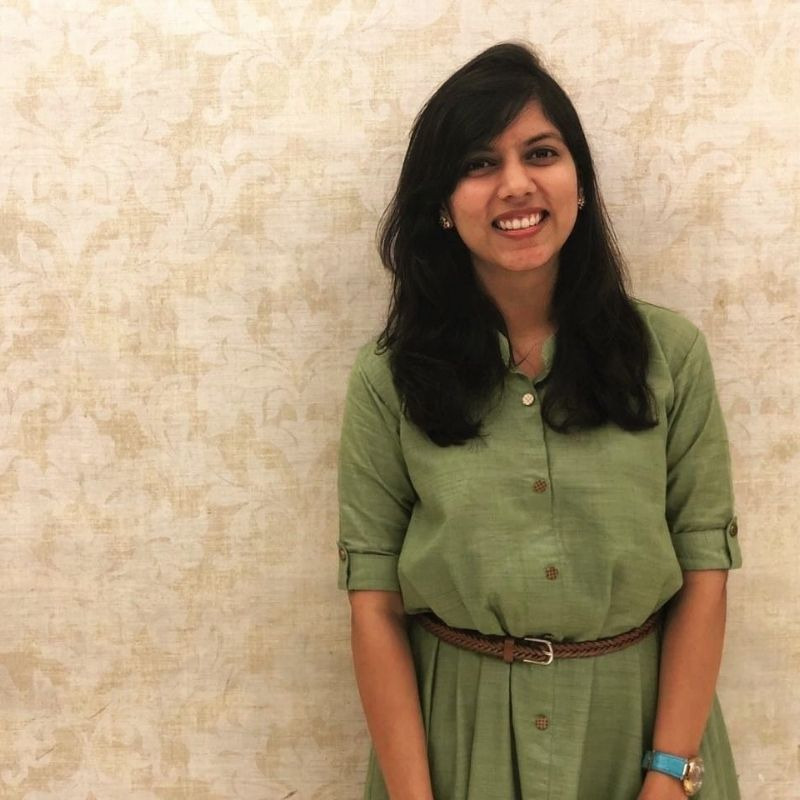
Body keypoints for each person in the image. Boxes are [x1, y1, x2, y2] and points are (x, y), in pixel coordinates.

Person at [336, 42, 742, 800]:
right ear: (441, 203)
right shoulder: (388, 378)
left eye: (541, 153)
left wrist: (668, 778)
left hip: (644, 736)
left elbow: (704, 574)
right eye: (478, 163)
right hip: (460, 741)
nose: (516, 184)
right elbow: (375, 608)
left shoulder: (671, 356)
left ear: (580, 182)